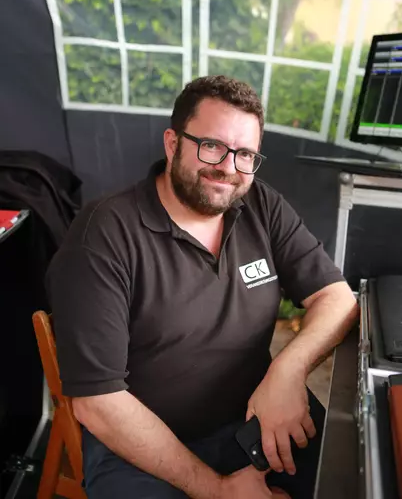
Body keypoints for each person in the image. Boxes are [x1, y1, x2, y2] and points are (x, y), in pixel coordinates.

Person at [46, 75, 358, 499]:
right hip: (137, 446)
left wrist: (287, 371)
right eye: (211, 145)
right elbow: (99, 402)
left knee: (355, 478)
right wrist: (219, 489)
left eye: (245, 154)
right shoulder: (104, 235)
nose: (228, 168)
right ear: (172, 143)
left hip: (253, 417)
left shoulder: (261, 206)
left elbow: (336, 297)